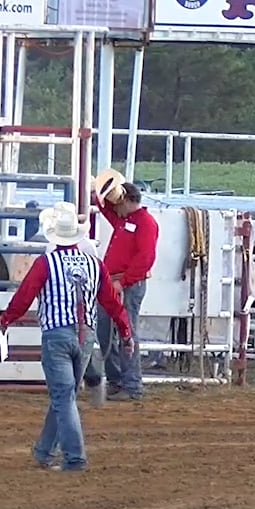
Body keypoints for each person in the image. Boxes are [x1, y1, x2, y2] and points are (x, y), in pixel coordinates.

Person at [0, 205, 132, 473]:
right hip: (85, 336)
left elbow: (25, 295)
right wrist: (126, 330)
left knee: (63, 397)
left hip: (56, 334)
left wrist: (6, 320)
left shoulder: (46, 263)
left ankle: (74, 457)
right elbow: (111, 302)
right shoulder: (95, 264)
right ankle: (44, 452)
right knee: (64, 396)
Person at [90, 169, 159, 402]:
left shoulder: (145, 223)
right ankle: (120, 381)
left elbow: (145, 259)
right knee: (110, 331)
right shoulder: (131, 220)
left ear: (128, 200)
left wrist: (123, 282)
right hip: (118, 283)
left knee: (124, 332)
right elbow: (107, 208)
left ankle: (130, 384)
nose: (115, 206)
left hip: (125, 284)